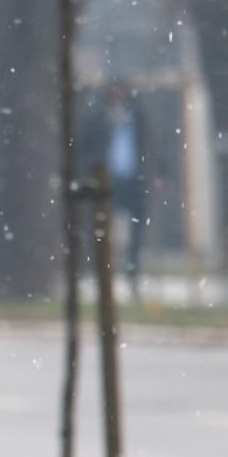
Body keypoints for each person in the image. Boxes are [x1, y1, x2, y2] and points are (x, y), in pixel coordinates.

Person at [87, 82, 151, 298]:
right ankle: (103, 273)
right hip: (108, 181)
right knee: (103, 229)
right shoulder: (99, 119)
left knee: (136, 230)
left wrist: (158, 174)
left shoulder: (137, 118)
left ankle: (132, 273)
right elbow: (87, 147)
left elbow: (150, 146)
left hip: (134, 180)